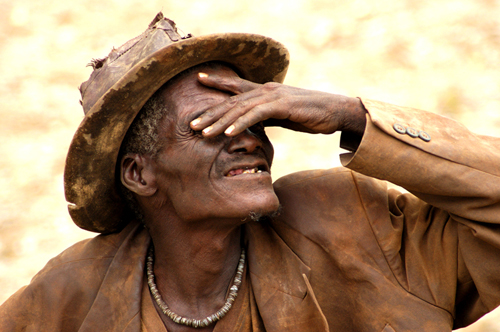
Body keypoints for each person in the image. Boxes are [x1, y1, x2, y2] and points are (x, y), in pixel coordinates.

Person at [1, 12, 500, 332]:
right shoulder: (66, 298)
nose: (248, 137)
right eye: (208, 123)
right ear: (139, 174)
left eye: (255, 117)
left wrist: (353, 115)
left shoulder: (348, 224)